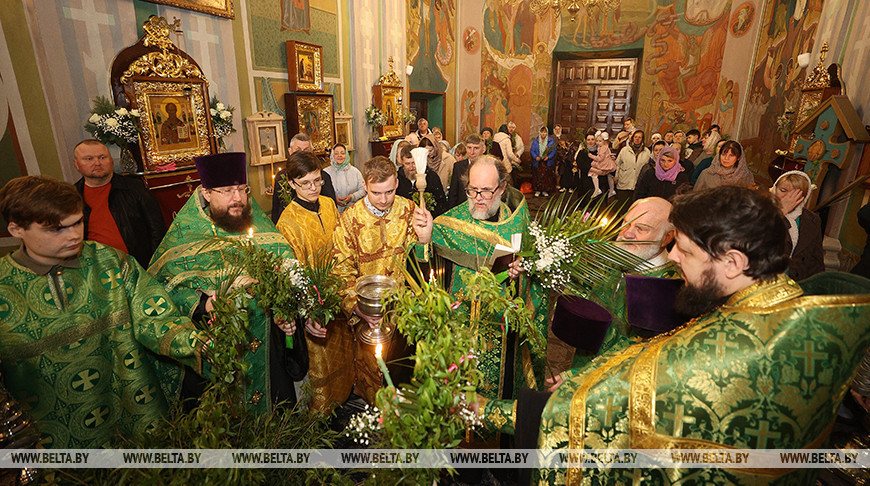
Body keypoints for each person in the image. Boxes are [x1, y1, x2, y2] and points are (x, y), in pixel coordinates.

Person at [479, 186, 870, 485]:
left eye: (684, 250)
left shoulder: (710, 356)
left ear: (733, 262)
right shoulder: (791, 311)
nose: (673, 258)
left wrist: (479, 410)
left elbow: (591, 413)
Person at [0, 176, 205, 448]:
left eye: (78, 223)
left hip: (133, 408)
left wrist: (201, 344)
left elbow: (157, 318)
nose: (74, 235)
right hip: (49, 435)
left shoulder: (109, 261)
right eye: (57, 229)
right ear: (16, 229)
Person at [149, 153, 301, 414]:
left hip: (267, 340)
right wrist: (203, 303)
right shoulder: (185, 232)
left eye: (243, 189)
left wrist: (285, 300)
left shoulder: (256, 221)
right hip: (217, 347)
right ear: (207, 193)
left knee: (277, 414)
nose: (239, 199)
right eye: (228, 191)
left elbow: (286, 261)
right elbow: (162, 288)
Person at [422, 155, 548, 402]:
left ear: (501, 188)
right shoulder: (450, 223)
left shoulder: (518, 223)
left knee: (500, 396)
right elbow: (424, 272)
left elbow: (537, 276)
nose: (477, 198)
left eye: (486, 191)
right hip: (458, 331)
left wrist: (521, 275)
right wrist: (425, 240)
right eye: (472, 190)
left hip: (502, 332)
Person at [332, 156, 433, 404]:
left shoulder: (410, 210)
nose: (384, 199)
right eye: (376, 192)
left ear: (397, 183)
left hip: (405, 314)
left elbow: (420, 264)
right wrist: (357, 307)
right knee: (373, 379)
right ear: (365, 186)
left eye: (389, 191)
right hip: (368, 315)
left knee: (404, 377)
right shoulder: (350, 219)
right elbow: (340, 270)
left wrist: (425, 238)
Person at [548, 196, 680, 375]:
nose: (627, 233)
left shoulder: (669, 286)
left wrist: (580, 375)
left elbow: (640, 351)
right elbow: (584, 286)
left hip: (616, 380)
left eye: (641, 229)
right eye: (626, 223)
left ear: (666, 238)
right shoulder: (613, 255)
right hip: (583, 358)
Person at [276, 151, 353, 413]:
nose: (313, 188)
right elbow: (291, 275)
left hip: (340, 298)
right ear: (291, 184)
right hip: (314, 308)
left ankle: (344, 406)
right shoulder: (287, 222)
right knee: (322, 367)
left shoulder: (329, 204)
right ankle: (321, 418)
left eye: (317, 181)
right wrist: (309, 312)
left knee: (344, 356)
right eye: (305, 183)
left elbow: (343, 245)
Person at [72, 139, 166, 267]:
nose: (97, 163)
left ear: (111, 160)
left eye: (102, 157)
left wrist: (155, 264)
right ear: (76, 164)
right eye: (89, 159)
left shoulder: (135, 188)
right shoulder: (71, 196)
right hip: (96, 269)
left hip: (139, 266)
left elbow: (157, 229)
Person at [271, 133, 337, 222]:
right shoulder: (281, 177)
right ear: (290, 151)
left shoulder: (323, 176)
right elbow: (277, 208)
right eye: (298, 150)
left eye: (306, 150)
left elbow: (331, 211)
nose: (301, 154)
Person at [772, 171, 825, 281]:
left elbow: (816, 261)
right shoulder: (759, 211)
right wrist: (781, 212)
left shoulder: (812, 220)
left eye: (796, 194)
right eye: (783, 190)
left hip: (795, 284)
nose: (788, 197)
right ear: (774, 189)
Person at [397, 145, 447, 216]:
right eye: (407, 164)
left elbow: (441, 202)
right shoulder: (397, 178)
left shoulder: (431, 177)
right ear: (402, 162)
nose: (411, 167)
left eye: (414, 163)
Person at [323, 143, 365, 214]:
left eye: (342, 153)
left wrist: (352, 197)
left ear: (347, 155)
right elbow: (321, 193)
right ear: (332, 155)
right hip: (332, 211)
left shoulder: (355, 171)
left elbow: (363, 189)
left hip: (352, 210)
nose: (340, 155)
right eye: (336, 153)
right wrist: (333, 199)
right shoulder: (325, 172)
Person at [613, 129, 650, 205]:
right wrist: (616, 177)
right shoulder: (624, 150)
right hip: (624, 181)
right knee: (622, 205)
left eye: (639, 137)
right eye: (635, 137)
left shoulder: (647, 152)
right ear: (632, 138)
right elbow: (617, 164)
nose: (637, 139)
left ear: (642, 139)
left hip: (638, 184)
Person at [448, 135, 484, 209]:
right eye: (469, 148)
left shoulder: (489, 167)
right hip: (462, 210)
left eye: (476, 148)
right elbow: (453, 194)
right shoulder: (458, 166)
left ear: (483, 149)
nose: (472, 152)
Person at [588, 131, 616, 198]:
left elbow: (600, 158)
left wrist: (591, 156)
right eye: (597, 141)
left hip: (603, 164)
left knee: (592, 173)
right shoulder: (605, 147)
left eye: (600, 141)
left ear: (604, 141)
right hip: (606, 163)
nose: (597, 142)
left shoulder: (603, 148)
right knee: (609, 175)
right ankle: (611, 189)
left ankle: (597, 189)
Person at [530, 126, 556, 197]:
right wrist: (536, 157)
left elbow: (554, 151)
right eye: (542, 132)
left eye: (545, 132)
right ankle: (538, 190)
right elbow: (532, 151)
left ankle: (545, 190)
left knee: (546, 177)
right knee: (537, 176)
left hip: (547, 162)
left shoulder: (551, 141)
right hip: (538, 162)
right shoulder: (536, 141)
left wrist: (548, 157)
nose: (543, 134)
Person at [552, 124, 574, 192]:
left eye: (559, 129)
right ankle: (556, 184)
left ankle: (563, 185)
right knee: (555, 172)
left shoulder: (565, 137)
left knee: (563, 171)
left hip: (564, 158)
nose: (557, 131)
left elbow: (568, 146)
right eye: (556, 129)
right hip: (554, 157)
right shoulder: (551, 137)